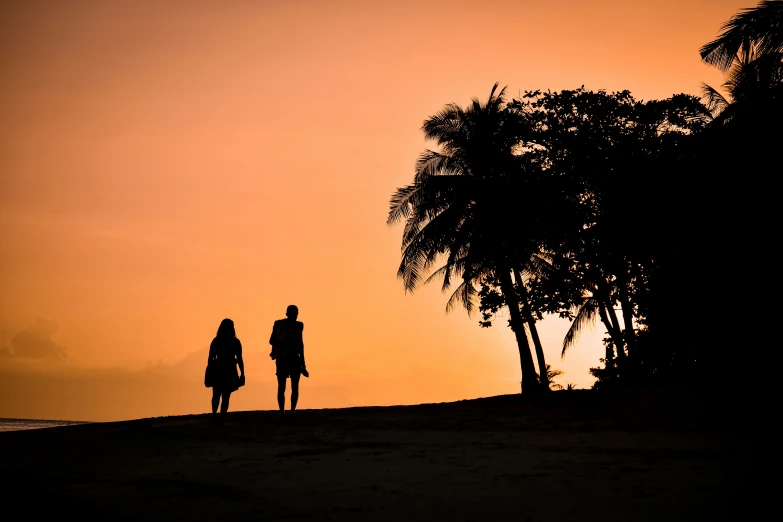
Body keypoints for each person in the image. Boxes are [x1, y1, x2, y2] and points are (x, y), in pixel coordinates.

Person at [269, 305, 307, 418]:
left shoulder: (298, 325)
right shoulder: (279, 324)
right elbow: (272, 340)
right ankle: (284, 412)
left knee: (292, 386)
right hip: (284, 357)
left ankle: (290, 411)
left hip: (293, 358)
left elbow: (301, 343)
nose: (295, 316)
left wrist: (303, 362)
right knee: (283, 386)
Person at [206, 318, 245, 427]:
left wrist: (210, 370)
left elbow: (210, 358)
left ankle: (214, 415)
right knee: (226, 396)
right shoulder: (235, 341)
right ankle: (221, 419)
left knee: (216, 395)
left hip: (217, 369)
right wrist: (242, 373)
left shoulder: (216, 340)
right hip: (230, 370)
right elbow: (240, 359)